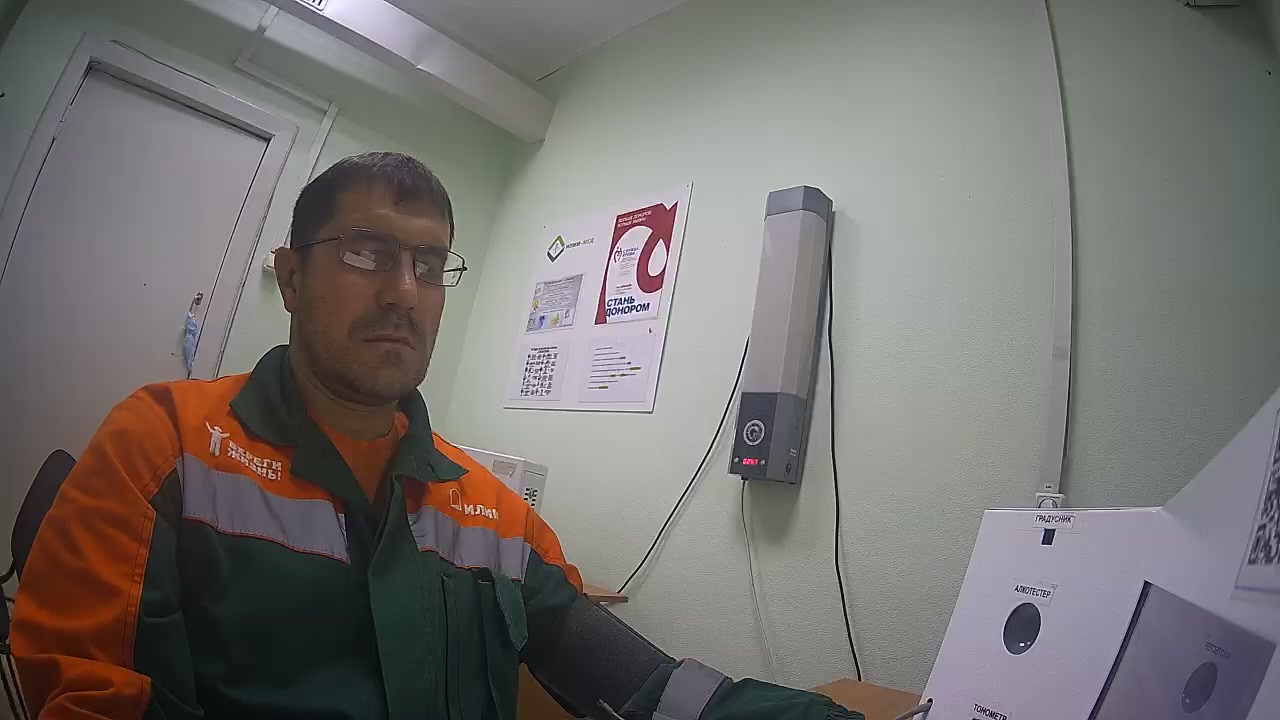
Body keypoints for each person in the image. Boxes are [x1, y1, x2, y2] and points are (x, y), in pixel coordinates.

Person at [9, 152, 859, 720]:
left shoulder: (494, 517)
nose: (405, 292)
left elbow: (644, 685)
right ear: (292, 277)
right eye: (367, 254)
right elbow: (86, 698)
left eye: (429, 264)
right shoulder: (166, 444)